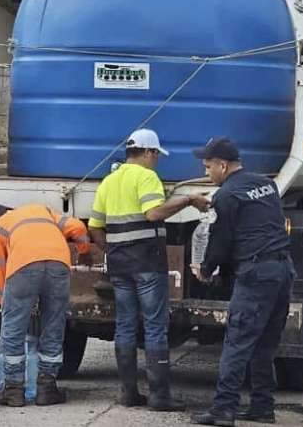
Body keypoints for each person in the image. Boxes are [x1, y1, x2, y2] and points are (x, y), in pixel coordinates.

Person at [88, 128, 210, 411]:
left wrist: (110, 251)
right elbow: (153, 213)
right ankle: (159, 397)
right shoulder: (147, 177)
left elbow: (95, 227)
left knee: (125, 326)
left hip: (120, 266)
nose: (157, 160)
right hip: (147, 264)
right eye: (156, 155)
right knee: (155, 327)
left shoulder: (109, 180)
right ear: (148, 152)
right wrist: (188, 200)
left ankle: (128, 394)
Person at [189, 137, 295, 427]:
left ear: (223, 166)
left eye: (208, 166)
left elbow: (221, 242)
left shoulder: (227, 196)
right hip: (282, 270)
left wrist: (207, 269)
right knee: (265, 343)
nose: (207, 172)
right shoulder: (267, 185)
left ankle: (224, 409)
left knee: (237, 342)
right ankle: (262, 406)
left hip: (256, 274)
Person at [0, 203, 91, 407]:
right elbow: (77, 227)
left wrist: (2, 298)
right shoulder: (43, 212)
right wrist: (83, 249)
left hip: (23, 265)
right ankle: (47, 388)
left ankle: (14, 390)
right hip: (58, 262)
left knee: (14, 328)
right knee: (54, 323)